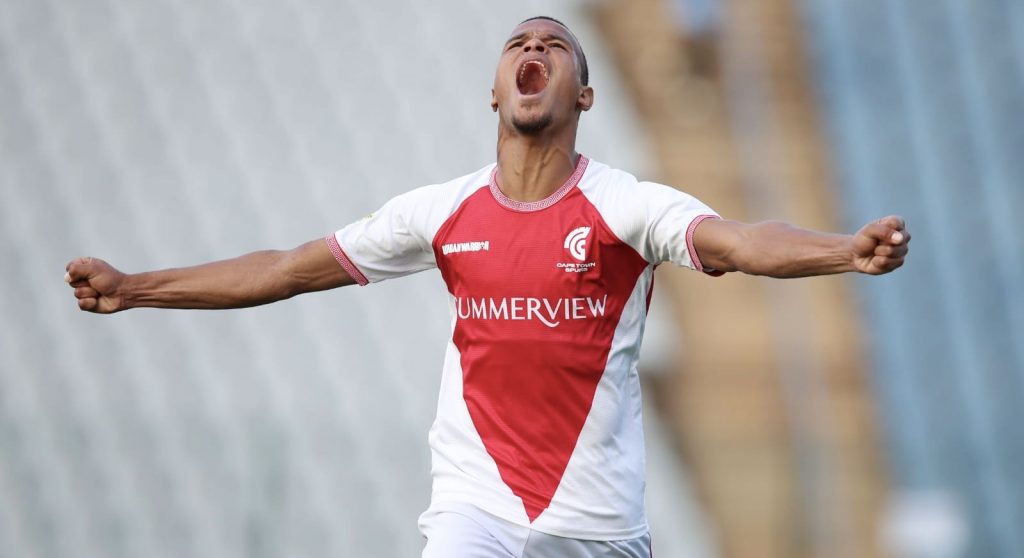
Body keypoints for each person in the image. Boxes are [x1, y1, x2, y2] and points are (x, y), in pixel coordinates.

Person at [64, 15, 910, 558]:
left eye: (552, 45)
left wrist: (845, 250)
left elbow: (742, 240)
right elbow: (286, 269)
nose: (532, 50)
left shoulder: (626, 206)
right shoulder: (439, 212)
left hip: (598, 529)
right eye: (517, 45)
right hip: (477, 513)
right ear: (495, 90)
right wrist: (137, 286)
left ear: (582, 93)